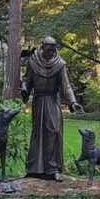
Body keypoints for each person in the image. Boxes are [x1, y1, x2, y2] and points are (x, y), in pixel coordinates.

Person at [21, 36, 84, 180]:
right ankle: (35, 168)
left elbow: (66, 85)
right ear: (42, 47)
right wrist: (24, 88)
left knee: (54, 131)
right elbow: (27, 80)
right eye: (48, 50)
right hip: (38, 100)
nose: (51, 53)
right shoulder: (33, 62)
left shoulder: (59, 64)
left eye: (53, 50)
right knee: (38, 133)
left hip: (52, 100)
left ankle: (53, 168)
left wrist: (72, 102)